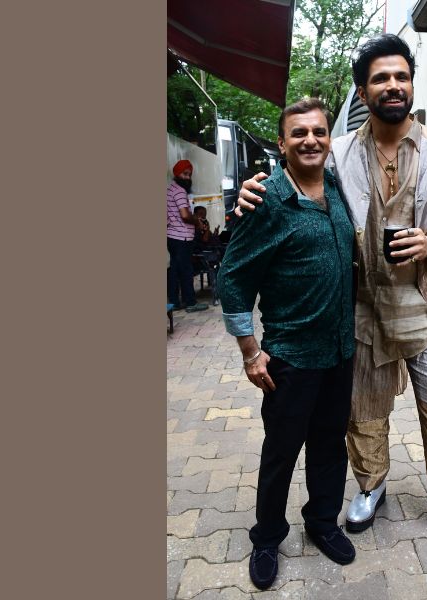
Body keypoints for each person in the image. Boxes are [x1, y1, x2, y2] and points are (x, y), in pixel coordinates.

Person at [236, 34, 427, 566]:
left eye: (401, 76)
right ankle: (371, 485)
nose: (392, 86)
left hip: (425, 306)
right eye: (380, 78)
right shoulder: (339, 152)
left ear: (412, 84)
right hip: (362, 308)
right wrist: (252, 193)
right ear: (364, 90)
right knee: (364, 413)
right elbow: (296, 179)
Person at [218, 98, 357, 590]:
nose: (310, 140)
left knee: (330, 446)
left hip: (340, 351)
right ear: (282, 143)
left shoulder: (336, 188)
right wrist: (250, 352)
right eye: (299, 133)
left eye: (318, 131)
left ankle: (321, 522)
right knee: (281, 451)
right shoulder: (266, 200)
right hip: (291, 358)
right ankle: (267, 537)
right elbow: (232, 278)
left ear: (329, 140)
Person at [167, 159, 209, 312]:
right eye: (185, 174)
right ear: (177, 174)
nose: (188, 177)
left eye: (190, 174)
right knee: (186, 271)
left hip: (173, 237)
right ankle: (190, 303)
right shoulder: (179, 191)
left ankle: (174, 302)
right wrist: (197, 221)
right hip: (182, 238)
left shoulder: (170, 189)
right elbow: (185, 215)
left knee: (175, 270)